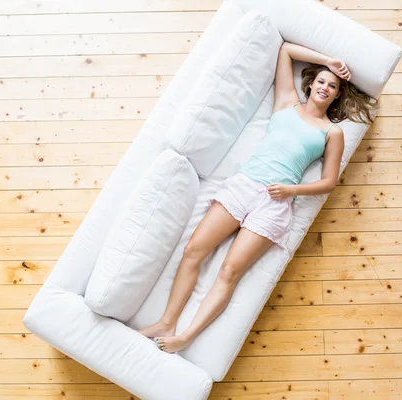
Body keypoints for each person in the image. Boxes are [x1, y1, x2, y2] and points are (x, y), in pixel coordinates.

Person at [138, 41, 378, 353]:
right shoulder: (286, 101)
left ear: (336, 95)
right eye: (321, 81)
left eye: (332, 86)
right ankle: (166, 322)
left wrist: (292, 190)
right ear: (311, 84)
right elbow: (286, 51)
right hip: (243, 186)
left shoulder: (332, 132)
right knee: (193, 249)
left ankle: (187, 336)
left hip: (275, 202)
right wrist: (330, 61)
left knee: (229, 271)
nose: (325, 87)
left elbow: (329, 181)